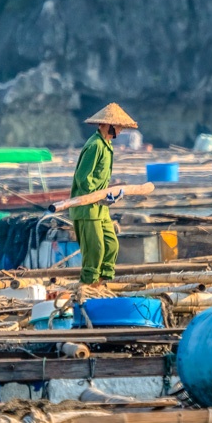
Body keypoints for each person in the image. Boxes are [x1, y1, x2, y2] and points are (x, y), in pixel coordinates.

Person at [71, 103, 136, 287]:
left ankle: (101, 283)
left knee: (111, 245)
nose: (121, 130)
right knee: (95, 250)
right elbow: (83, 179)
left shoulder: (107, 145)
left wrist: (111, 194)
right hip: (87, 208)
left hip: (101, 208)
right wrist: (98, 196)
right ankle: (87, 287)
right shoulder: (95, 146)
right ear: (109, 126)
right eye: (119, 126)